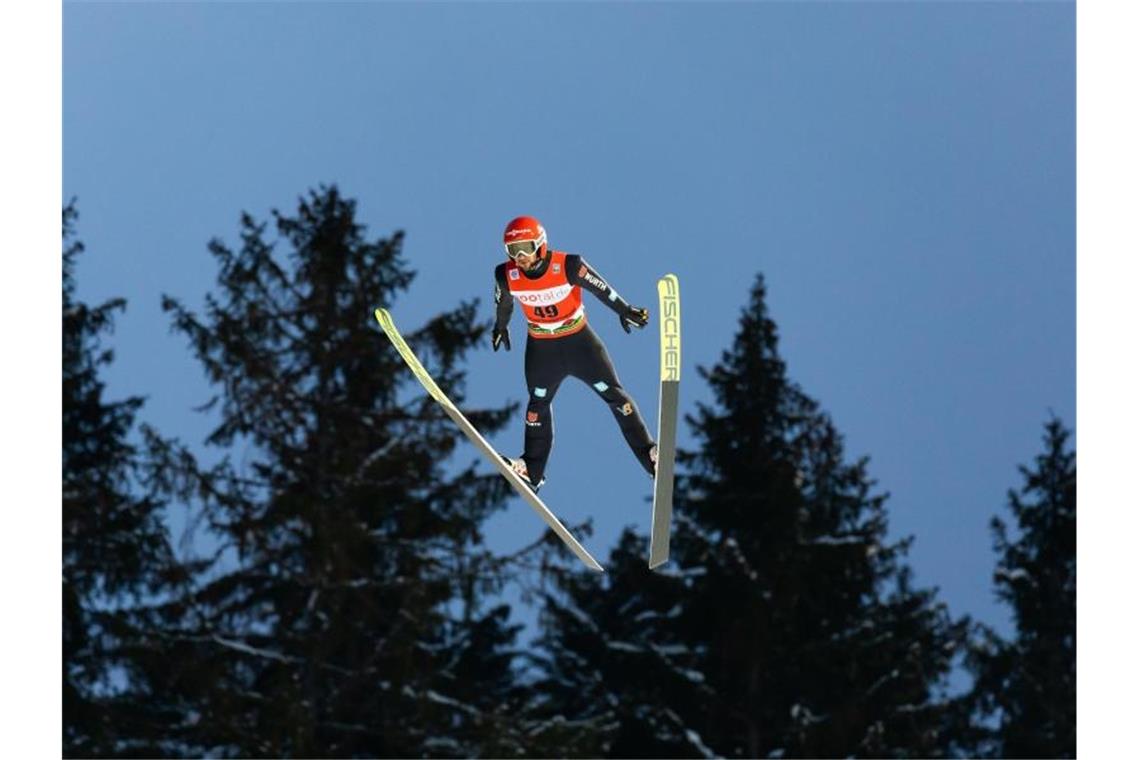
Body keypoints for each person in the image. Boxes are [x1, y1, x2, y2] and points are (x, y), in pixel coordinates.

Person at [492, 215, 657, 492]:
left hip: (579, 343)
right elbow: (504, 304)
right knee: (537, 406)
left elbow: (601, 289)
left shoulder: (568, 265)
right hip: (542, 348)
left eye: (526, 247)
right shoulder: (506, 275)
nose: (520, 256)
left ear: (541, 245)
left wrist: (625, 310)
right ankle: (532, 469)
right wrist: (500, 327)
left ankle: (650, 456)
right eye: (513, 250)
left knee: (615, 395)